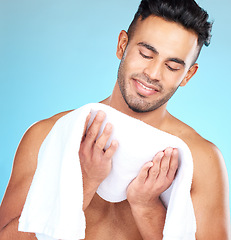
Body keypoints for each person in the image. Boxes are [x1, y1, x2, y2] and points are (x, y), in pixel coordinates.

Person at [0, 0, 230, 239]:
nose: (152, 74)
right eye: (146, 54)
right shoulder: (46, 136)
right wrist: (83, 184)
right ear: (122, 45)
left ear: (188, 75)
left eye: (172, 66)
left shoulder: (201, 160)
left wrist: (147, 206)